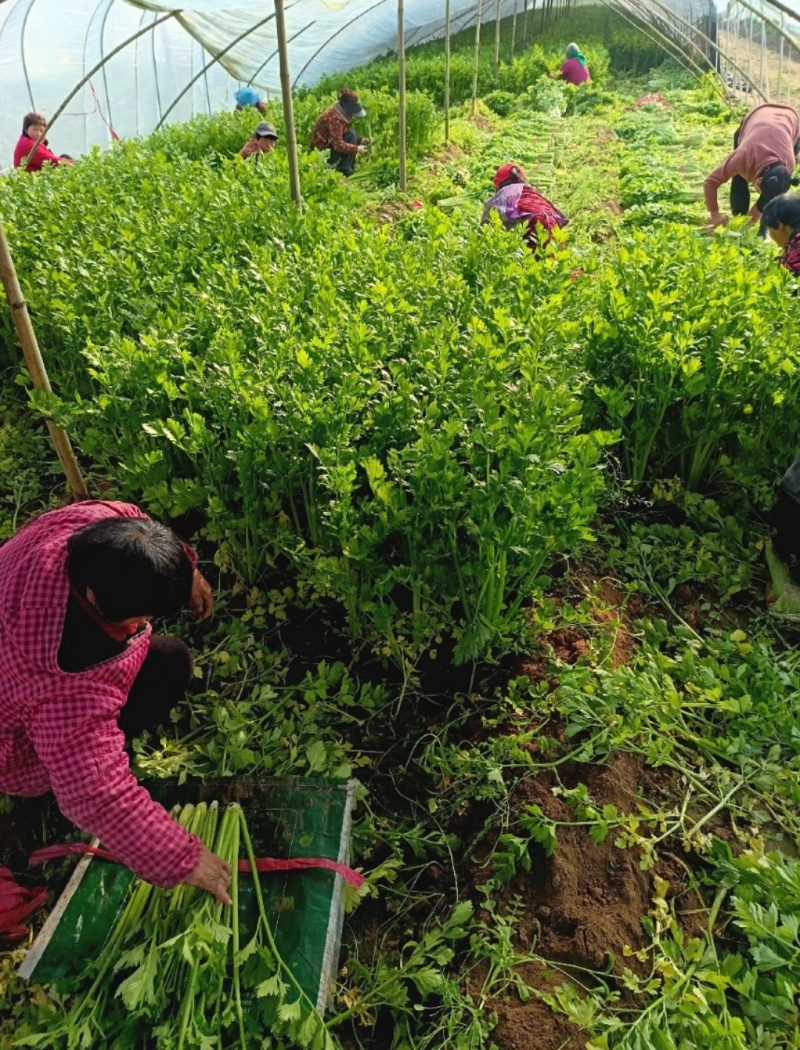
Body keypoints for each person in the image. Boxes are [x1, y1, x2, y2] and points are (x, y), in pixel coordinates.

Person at [0, 500, 232, 905]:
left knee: (171, 658)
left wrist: (185, 569)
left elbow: (131, 520)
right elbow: (97, 791)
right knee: (168, 669)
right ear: (94, 597)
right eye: (140, 618)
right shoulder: (65, 680)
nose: (143, 625)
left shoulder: (84, 529)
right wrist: (185, 859)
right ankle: (35, 789)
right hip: (14, 736)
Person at [704, 103, 800, 227]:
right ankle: (738, 214)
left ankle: (762, 228)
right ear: (758, 181)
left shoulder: (788, 163)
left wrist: (746, 225)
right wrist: (714, 214)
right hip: (758, 116)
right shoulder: (743, 156)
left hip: (790, 120)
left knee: (773, 193)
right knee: (739, 177)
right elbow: (710, 182)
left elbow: (767, 198)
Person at [481, 162, 568, 252]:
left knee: (531, 262)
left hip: (533, 227)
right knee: (557, 260)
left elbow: (483, 234)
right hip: (553, 226)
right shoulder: (533, 193)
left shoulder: (499, 198)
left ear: (498, 186)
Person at [310, 89, 369, 177]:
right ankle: (344, 169)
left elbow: (342, 133)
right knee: (351, 135)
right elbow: (338, 144)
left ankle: (347, 166)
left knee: (353, 133)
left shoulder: (340, 113)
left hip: (330, 146)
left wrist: (361, 140)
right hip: (323, 154)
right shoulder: (335, 118)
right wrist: (357, 149)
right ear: (346, 108)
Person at [761, 192, 800, 275]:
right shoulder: (793, 245)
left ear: (781, 227)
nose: (770, 235)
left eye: (769, 229)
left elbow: (789, 282)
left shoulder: (797, 254)